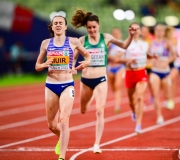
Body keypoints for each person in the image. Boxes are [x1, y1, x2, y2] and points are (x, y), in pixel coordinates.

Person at [71, 9, 137, 153]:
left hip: (101, 79)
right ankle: (88, 100)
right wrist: (73, 68)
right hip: (86, 80)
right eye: (89, 27)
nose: (92, 30)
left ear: (98, 25)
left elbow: (124, 45)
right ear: (86, 28)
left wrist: (131, 36)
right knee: (83, 109)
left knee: (100, 111)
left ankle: (97, 144)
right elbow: (74, 57)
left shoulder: (106, 38)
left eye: (94, 27)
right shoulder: (82, 40)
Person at [35, 15, 91, 160]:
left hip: (67, 84)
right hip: (51, 85)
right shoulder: (46, 43)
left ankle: (62, 156)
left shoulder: (73, 41)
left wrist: (86, 63)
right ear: (52, 27)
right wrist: (44, 65)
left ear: (65, 27)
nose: (58, 25)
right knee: (52, 125)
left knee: (64, 120)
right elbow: (37, 66)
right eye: (55, 23)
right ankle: (61, 138)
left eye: (61, 23)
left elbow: (87, 55)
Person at [116, 22, 149, 133]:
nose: (135, 31)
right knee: (131, 101)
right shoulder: (125, 44)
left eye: (137, 29)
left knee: (140, 97)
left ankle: (138, 124)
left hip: (141, 72)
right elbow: (117, 59)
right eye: (133, 29)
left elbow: (146, 54)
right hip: (130, 73)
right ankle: (134, 111)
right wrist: (127, 60)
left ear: (139, 31)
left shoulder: (144, 44)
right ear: (129, 30)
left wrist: (152, 56)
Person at [149, 24, 177, 124]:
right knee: (155, 93)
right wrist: (150, 60)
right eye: (157, 30)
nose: (159, 32)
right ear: (155, 32)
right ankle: (159, 116)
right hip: (155, 71)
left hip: (165, 72)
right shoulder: (151, 43)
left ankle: (168, 100)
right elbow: (148, 56)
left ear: (164, 32)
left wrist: (167, 61)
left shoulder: (167, 43)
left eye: (161, 30)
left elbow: (174, 56)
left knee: (167, 96)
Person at [107, 27, 125, 113]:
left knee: (118, 86)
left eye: (117, 33)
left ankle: (117, 105)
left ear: (120, 34)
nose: (116, 35)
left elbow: (122, 54)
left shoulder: (123, 43)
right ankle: (116, 97)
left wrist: (117, 58)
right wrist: (111, 57)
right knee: (113, 87)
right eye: (114, 33)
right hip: (110, 68)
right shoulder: (110, 44)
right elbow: (105, 53)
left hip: (120, 67)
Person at [164, 26, 179, 107]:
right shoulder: (164, 42)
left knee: (171, 80)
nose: (173, 34)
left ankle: (171, 100)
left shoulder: (175, 41)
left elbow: (175, 53)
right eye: (172, 32)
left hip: (174, 64)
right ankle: (168, 98)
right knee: (168, 82)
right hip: (166, 65)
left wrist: (176, 55)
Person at [141, 25, 154, 105]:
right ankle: (142, 101)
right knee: (142, 84)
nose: (144, 33)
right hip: (142, 66)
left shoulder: (152, 41)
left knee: (150, 83)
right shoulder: (138, 41)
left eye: (146, 31)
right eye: (143, 31)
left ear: (148, 32)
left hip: (150, 66)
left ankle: (153, 95)